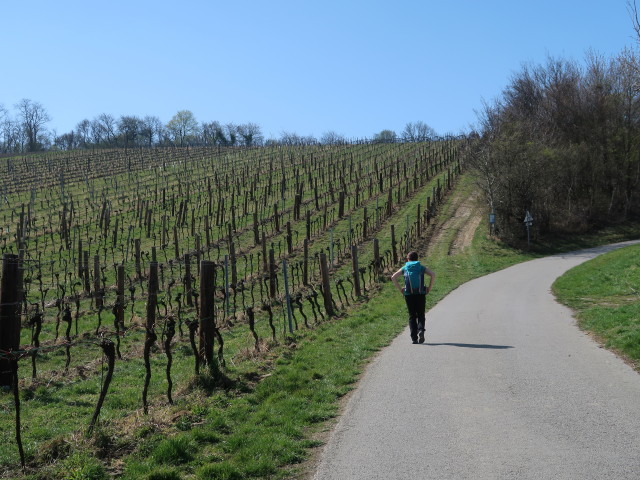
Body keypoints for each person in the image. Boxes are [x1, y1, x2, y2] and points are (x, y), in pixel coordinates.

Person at [391, 251, 435, 344]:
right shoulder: (420, 267)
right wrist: (429, 288)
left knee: (412, 315)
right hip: (420, 293)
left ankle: (414, 338)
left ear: (408, 259)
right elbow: (432, 274)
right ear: (417, 259)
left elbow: (393, 277)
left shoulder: (405, 267)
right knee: (420, 314)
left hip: (408, 294)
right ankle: (421, 330)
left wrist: (401, 290)